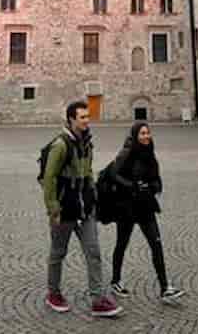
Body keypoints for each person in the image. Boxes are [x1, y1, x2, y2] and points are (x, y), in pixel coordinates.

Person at [41, 101, 120, 318]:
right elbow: (49, 179)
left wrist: (93, 198)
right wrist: (53, 209)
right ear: (71, 119)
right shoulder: (60, 145)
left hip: (86, 208)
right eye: (82, 117)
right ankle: (53, 294)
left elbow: (88, 173)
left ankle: (97, 299)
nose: (87, 120)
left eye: (88, 116)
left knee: (93, 252)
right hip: (65, 209)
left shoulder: (87, 143)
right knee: (58, 253)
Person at [109, 121, 184, 303]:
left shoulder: (150, 154)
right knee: (122, 243)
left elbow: (156, 178)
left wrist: (154, 186)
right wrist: (132, 186)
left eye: (147, 133)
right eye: (142, 133)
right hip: (127, 207)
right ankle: (115, 281)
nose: (146, 136)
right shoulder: (126, 153)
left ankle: (165, 288)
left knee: (156, 244)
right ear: (135, 135)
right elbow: (113, 174)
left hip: (145, 206)